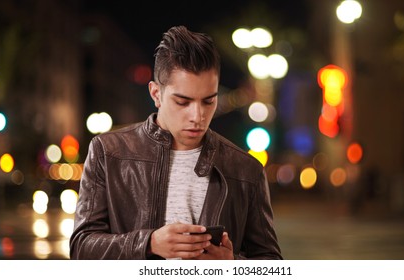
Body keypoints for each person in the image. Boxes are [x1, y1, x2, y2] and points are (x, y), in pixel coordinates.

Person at [69, 25, 282, 260]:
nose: (197, 116)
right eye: (183, 102)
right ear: (155, 94)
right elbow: (81, 247)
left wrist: (231, 265)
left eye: (208, 101)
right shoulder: (108, 152)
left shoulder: (245, 170)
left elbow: (270, 262)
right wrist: (148, 243)